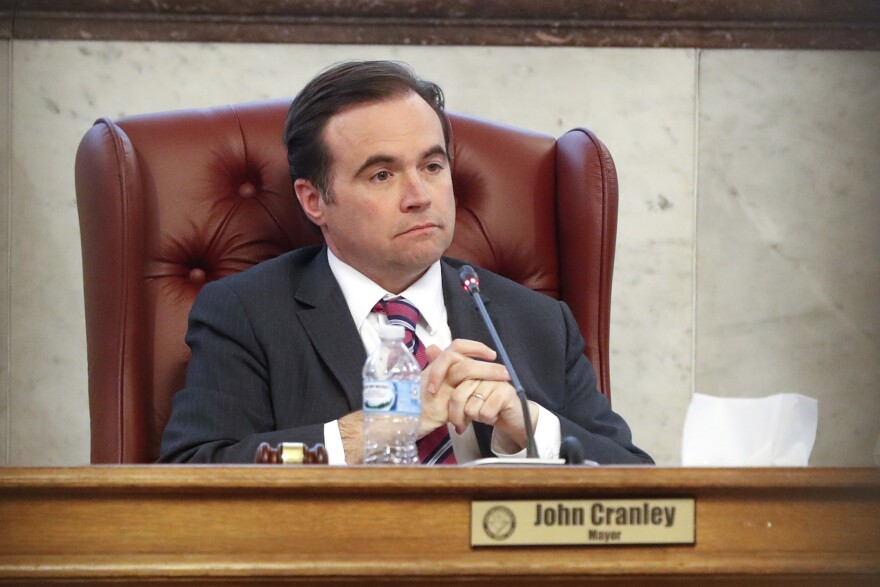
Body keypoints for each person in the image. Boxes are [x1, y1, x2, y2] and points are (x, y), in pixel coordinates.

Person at [158, 60, 652, 465]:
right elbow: (196, 467)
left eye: (433, 167)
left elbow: (638, 479)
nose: (420, 196)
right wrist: (377, 428)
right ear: (314, 201)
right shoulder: (248, 313)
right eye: (381, 175)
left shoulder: (537, 321)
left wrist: (533, 429)